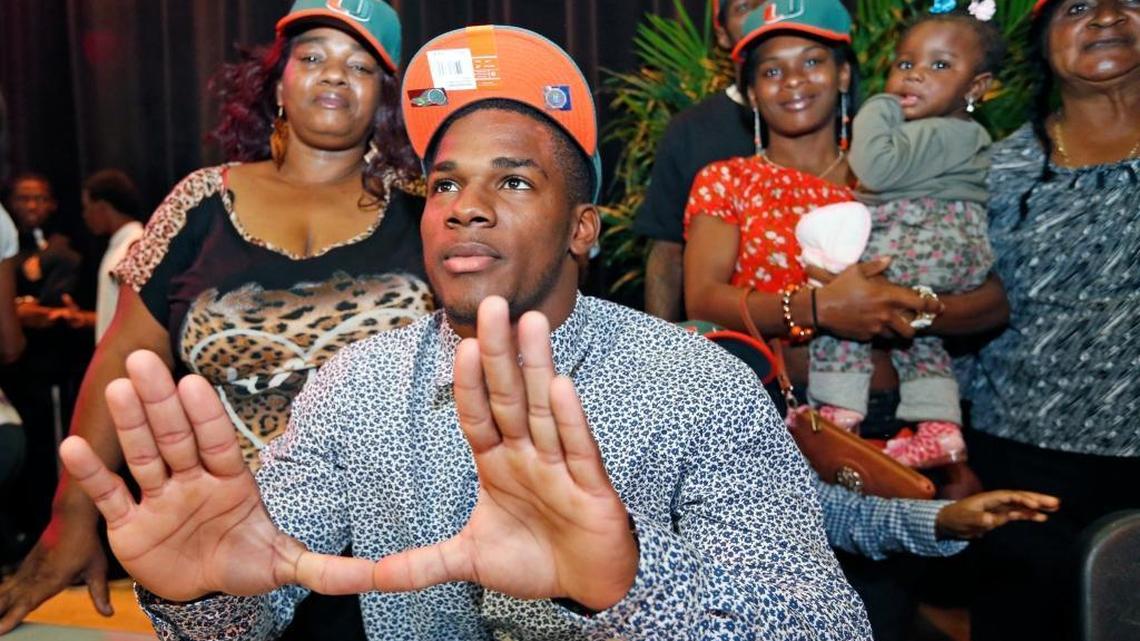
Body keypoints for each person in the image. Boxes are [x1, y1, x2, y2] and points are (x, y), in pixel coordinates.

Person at [59, 24, 873, 640]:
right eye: (444, 182)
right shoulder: (360, 383)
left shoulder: (694, 385)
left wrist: (625, 582)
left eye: (513, 180)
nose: (464, 205)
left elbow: (825, 625)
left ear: (583, 228)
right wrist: (199, 594)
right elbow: (253, 603)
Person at [0, 0, 433, 636]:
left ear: (386, 99)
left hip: (389, 551)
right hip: (220, 548)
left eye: (360, 66)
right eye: (312, 57)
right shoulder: (200, 200)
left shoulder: (425, 211)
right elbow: (122, 361)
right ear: (279, 82)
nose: (334, 76)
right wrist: (72, 518)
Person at [682, 3, 1012, 640]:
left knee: (881, 609)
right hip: (772, 426)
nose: (794, 81)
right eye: (772, 71)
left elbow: (991, 297)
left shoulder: (898, 167)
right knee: (773, 605)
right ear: (749, 91)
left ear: (843, 76)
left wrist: (912, 306)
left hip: (895, 427)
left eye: (813, 62)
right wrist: (818, 308)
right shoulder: (726, 181)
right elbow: (702, 299)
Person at [965, 1, 1140, 640]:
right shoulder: (994, 168)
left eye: (1126, 0)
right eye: (1078, 7)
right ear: (1043, 44)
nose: (1106, 17)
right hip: (1025, 469)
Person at [803, 8, 1006, 469]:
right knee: (917, 338)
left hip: (927, 237)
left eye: (939, 66)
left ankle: (838, 411)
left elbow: (873, 165)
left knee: (842, 299)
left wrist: (880, 103)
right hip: (937, 245)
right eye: (905, 64)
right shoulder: (945, 134)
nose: (914, 76)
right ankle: (940, 429)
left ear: (976, 88)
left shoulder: (949, 131)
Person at [635, 0, 759, 321]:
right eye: (747, 8)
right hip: (724, 347)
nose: (764, 17)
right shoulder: (690, 130)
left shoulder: (840, 123)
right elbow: (667, 252)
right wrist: (661, 355)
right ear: (722, 32)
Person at [76, 170, 146, 342]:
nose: (85, 215)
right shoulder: (120, 244)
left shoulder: (134, 245)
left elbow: (142, 318)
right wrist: (83, 318)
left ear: (102, 207)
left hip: (126, 359)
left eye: (87, 207)